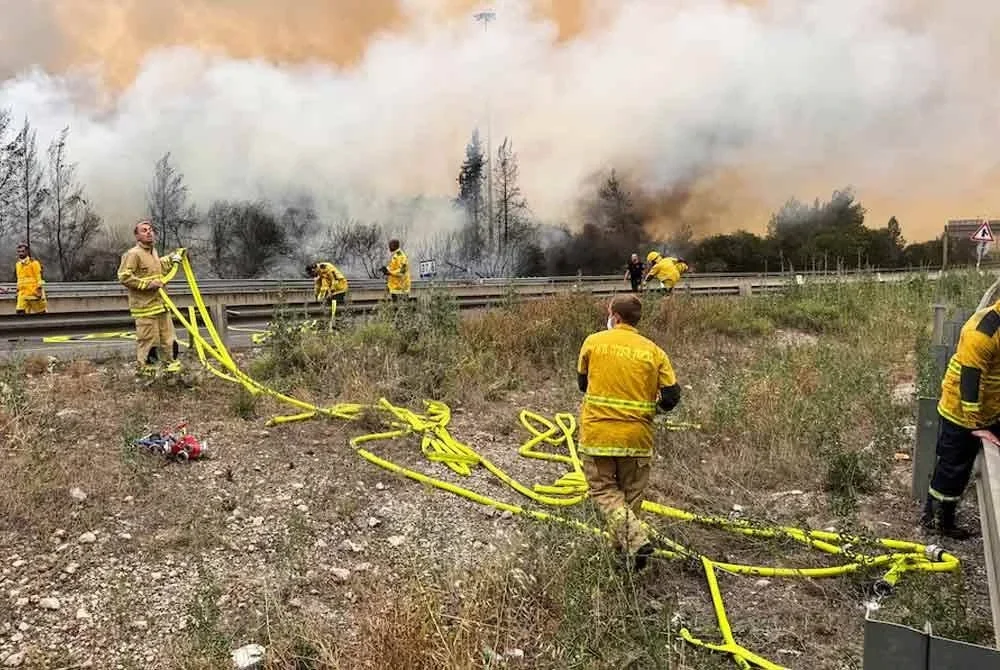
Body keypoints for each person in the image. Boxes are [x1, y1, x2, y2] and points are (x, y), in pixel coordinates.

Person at [576, 293, 682, 571]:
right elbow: (671, 397)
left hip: (598, 434)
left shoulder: (593, 342)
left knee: (603, 490)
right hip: (637, 438)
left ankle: (635, 541)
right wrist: (650, 411)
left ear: (615, 317)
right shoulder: (654, 352)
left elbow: (583, 384)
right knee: (631, 498)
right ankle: (625, 556)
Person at [921, 303, 1000, 539]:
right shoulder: (983, 332)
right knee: (953, 469)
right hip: (962, 412)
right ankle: (937, 521)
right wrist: (976, 425)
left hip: (990, 408)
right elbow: (970, 382)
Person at [116, 220, 185, 374]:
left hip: (161, 306)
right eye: (144, 230)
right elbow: (124, 276)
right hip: (145, 308)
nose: (149, 232)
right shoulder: (133, 254)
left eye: (150, 229)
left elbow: (158, 268)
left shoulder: (153, 252)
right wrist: (148, 284)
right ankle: (148, 374)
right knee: (149, 343)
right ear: (137, 236)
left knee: (169, 340)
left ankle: (171, 371)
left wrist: (173, 258)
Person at [306, 261, 349, 330]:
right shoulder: (319, 273)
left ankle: (334, 321)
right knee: (325, 301)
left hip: (340, 287)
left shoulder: (327, 267)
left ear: (314, 269)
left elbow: (334, 280)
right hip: (333, 288)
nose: (313, 276)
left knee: (333, 300)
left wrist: (331, 292)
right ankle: (323, 322)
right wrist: (316, 295)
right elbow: (318, 285)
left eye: (312, 273)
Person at [14, 242, 47, 315]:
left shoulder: (34, 263)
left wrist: (39, 289)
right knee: (20, 312)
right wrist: (17, 290)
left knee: (41, 313)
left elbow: (38, 277)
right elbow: (19, 278)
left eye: (22, 251)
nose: (20, 253)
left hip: (33, 293)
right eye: (19, 252)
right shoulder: (18, 264)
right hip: (22, 294)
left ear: (27, 251)